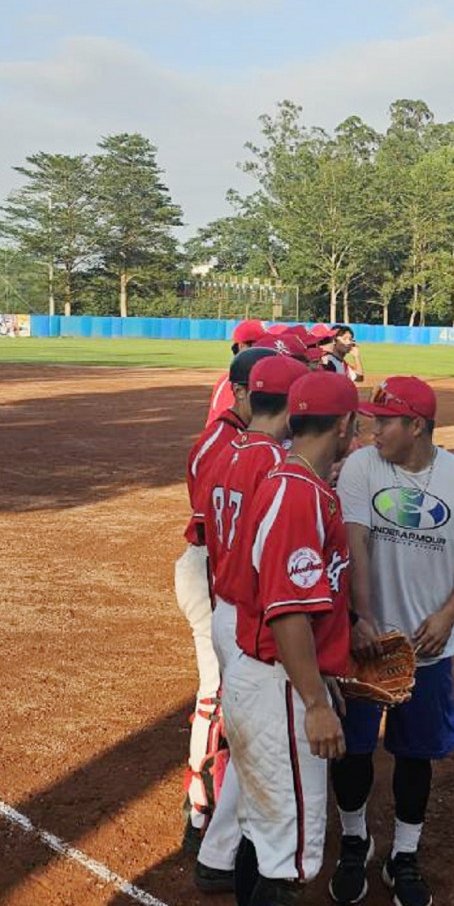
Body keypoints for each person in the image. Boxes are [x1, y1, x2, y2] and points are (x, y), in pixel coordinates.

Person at [221, 370, 361, 906]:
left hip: (265, 679)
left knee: (259, 835)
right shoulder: (299, 492)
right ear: (343, 430)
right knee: (286, 858)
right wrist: (317, 703)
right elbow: (286, 614)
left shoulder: (286, 479)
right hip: (281, 684)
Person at [328, 376, 454, 906]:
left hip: (429, 647)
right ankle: (355, 839)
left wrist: (449, 614)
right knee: (353, 749)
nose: (373, 428)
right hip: (365, 643)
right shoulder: (362, 467)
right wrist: (363, 617)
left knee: (414, 753)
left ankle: (404, 853)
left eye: (385, 421)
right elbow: (354, 537)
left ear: (417, 426)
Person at [177, 346, 266, 851]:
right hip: (211, 569)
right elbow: (216, 528)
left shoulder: (238, 438)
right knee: (214, 691)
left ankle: (221, 792)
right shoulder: (222, 442)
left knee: (231, 692)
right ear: (238, 391)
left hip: (220, 569)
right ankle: (198, 799)